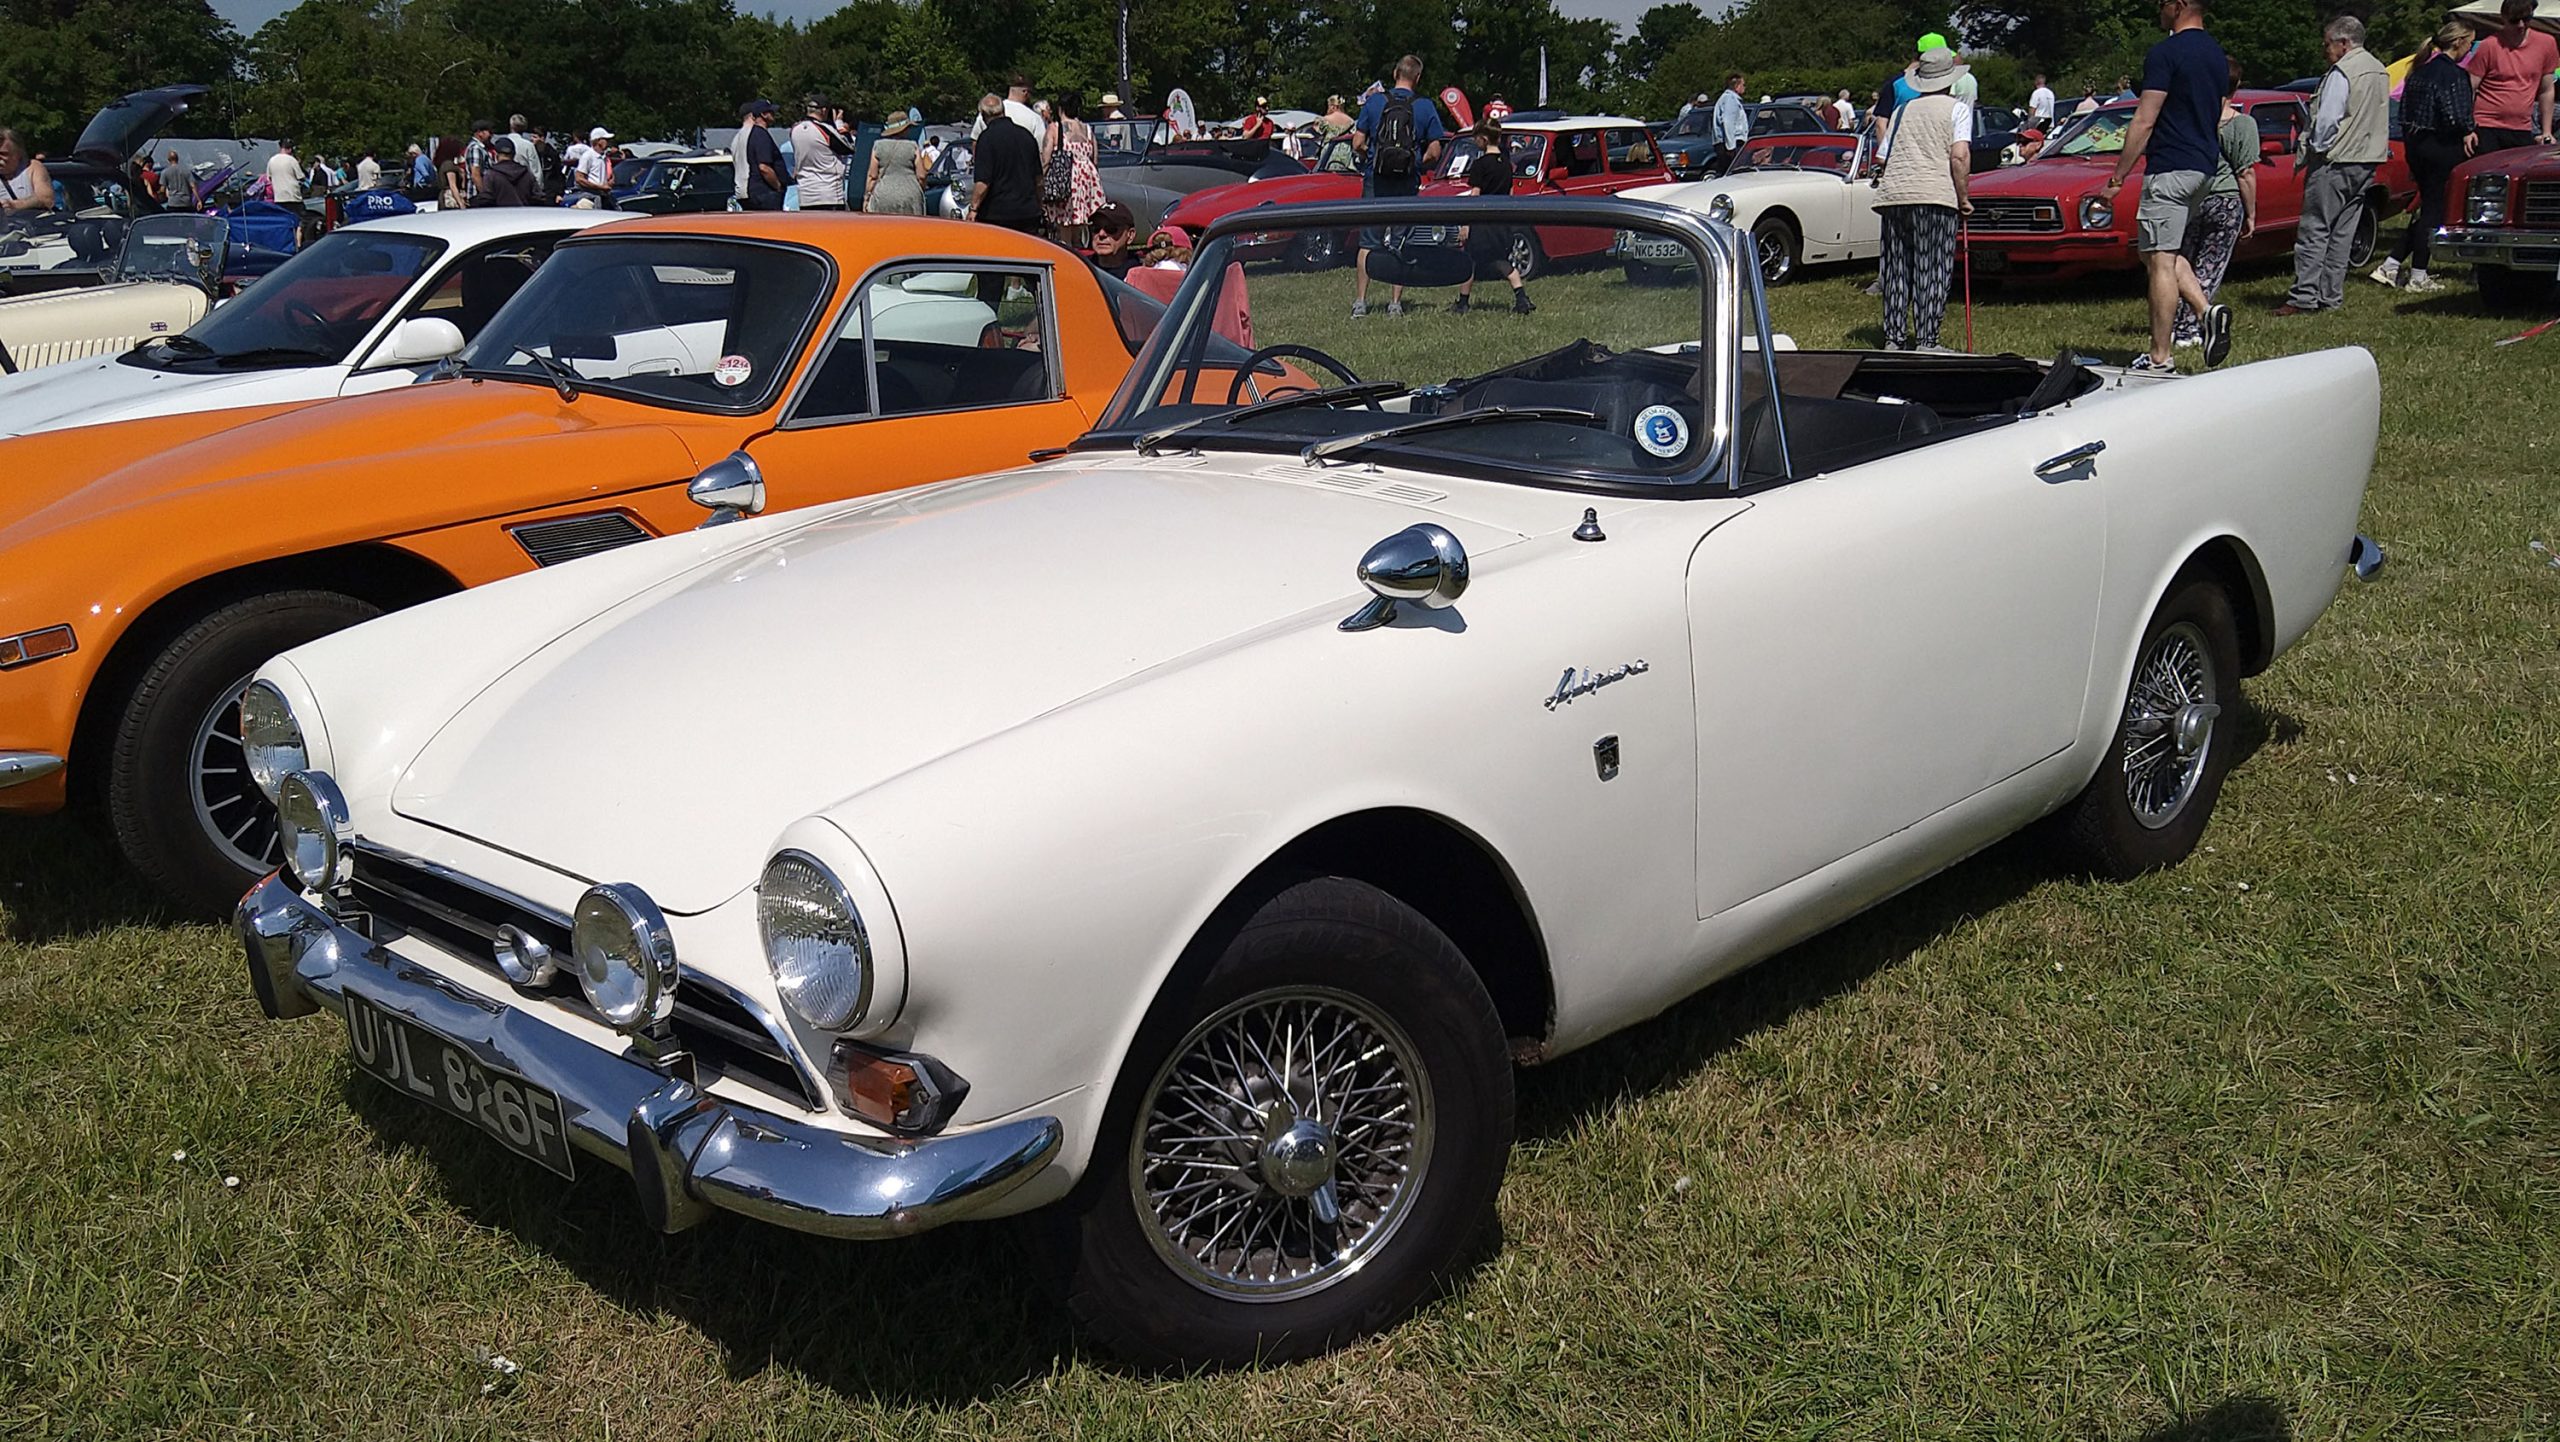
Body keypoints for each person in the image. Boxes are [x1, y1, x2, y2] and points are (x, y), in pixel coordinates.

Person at [2097, 0, 2232, 370]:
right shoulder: (2217, 55)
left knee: (2159, 261)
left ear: (2179, 5)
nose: (2158, 10)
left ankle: (2160, 357)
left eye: (2161, 4)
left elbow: (2145, 119)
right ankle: (2206, 312)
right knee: (2156, 253)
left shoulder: (2166, 52)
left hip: (2170, 166)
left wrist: (2117, 178)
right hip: (2204, 167)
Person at [2276, 16, 2390, 317]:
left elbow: (2327, 119)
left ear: (2343, 43)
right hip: (2367, 159)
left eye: (2327, 44)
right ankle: (2331, 296)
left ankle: (2304, 296)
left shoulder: (2343, 72)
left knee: (2315, 229)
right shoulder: (2379, 69)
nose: (2325, 50)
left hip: (2336, 159)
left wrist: (2317, 149)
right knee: (2343, 232)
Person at [1874, 45, 1972, 351]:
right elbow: (1959, 156)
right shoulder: (1957, 109)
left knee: (1896, 267)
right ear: (1950, 80)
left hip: (1895, 195)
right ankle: (1928, 340)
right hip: (1935, 195)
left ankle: (1894, 338)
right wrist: (1964, 198)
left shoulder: (1901, 110)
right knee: (1934, 266)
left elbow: (1882, 156)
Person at [2375, 22, 2480, 292]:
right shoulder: (2454, 75)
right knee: (2434, 211)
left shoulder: (2418, 71)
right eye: (2469, 43)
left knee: (2429, 207)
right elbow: (2456, 115)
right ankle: (2418, 274)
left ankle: (2391, 263)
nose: (2469, 49)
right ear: (2458, 42)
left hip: (2416, 146)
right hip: (2442, 148)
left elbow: (2404, 111)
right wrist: (2469, 129)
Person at [1350, 53, 1448, 318]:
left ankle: (1361, 302)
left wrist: (1372, 157)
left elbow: (1357, 143)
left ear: (1395, 74)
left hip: (1376, 179)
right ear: (1418, 78)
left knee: (1368, 242)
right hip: (1406, 180)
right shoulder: (1425, 106)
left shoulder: (1374, 102)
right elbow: (1435, 151)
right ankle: (1394, 303)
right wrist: (1414, 163)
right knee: (1400, 241)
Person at [2173, 58, 2258, 348]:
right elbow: (2245, 173)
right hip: (2225, 200)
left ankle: (2173, 324)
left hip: (2191, 198)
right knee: (2209, 267)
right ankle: (2192, 328)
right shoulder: (2241, 124)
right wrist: (2251, 214)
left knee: (2181, 263)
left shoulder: (2190, 121)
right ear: (2237, 86)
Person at [1454, 115, 1534, 315]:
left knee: (1469, 262)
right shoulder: (1506, 164)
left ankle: (1463, 302)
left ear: (1483, 139)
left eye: (1475, 138)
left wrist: (1466, 224)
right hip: (1501, 221)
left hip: (1483, 221)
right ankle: (1521, 297)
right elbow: (1510, 193)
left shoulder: (1480, 165)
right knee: (1501, 261)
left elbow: (1475, 195)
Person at [2464, 0, 2557, 152]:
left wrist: (2546, 132)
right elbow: (2469, 89)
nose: (2521, 25)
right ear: (2504, 18)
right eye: (2514, 20)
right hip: (2486, 125)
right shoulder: (2489, 45)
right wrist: (2467, 129)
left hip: (2522, 127)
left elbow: (2546, 90)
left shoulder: (2546, 43)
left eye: (2526, 19)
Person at [966, 93, 1043, 233]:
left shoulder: (986, 139)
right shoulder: (1026, 136)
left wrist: (973, 208)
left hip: (997, 213)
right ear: (1003, 111)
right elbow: (1038, 179)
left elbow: (983, 182)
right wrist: (1040, 203)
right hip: (1028, 212)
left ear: (983, 115)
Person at [1042, 91, 1104, 245]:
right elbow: (1095, 159)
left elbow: (1046, 159)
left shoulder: (1054, 128)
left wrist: (1040, 180)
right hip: (1086, 180)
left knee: (1064, 226)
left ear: (1060, 108)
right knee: (1079, 226)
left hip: (1066, 180)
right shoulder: (1087, 129)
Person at [793, 96, 856, 210]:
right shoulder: (824, 129)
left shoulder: (795, 129)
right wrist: (839, 124)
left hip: (805, 193)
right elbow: (849, 147)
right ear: (824, 110)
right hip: (829, 191)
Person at [865, 111, 927, 214]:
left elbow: (872, 176)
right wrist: (921, 189)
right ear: (904, 129)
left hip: (883, 196)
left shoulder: (878, 145)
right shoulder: (913, 146)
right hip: (910, 195)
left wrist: (866, 197)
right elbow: (922, 176)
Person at [737, 102, 789, 210]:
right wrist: (778, 186)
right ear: (763, 114)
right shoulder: (761, 135)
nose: (774, 114)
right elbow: (764, 168)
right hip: (765, 192)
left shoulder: (750, 134)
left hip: (753, 191)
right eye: (771, 112)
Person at [973, 74, 1043, 141]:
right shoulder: (1034, 118)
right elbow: (1041, 146)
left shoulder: (989, 111)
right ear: (1025, 92)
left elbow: (975, 141)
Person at [1086, 200, 1140, 277]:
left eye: (1111, 228)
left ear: (1130, 235)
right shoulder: (1081, 267)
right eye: (1096, 228)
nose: (1101, 234)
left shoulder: (1139, 276)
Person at [478, 140, 539, 205]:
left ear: (496, 154)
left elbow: (486, 199)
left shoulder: (491, 175)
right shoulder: (527, 173)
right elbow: (537, 197)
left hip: (499, 211)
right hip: (524, 210)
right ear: (514, 154)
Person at [570, 126, 616, 206]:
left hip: (603, 196)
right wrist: (600, 187)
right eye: (606, 139)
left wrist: (610, 181)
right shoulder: (588, 156)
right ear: (598, 141)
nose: (608, 142)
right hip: (589, 198)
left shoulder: (603, 156)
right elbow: (579, 178)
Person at [1712, 74, 1750, 171]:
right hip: (1732, 144)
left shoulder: (1727, 98)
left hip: (1728, 143)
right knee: (1735, 173)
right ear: (1737, 86)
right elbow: (1728, 122)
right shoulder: (1730, 99)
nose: (1744, 87)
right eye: (1743, 85)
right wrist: (1731, 147)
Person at [1316, 95, 1359, 171]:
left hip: (1329, 153)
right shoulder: (1351, 121)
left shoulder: (1325, 120)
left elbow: (1317, 132)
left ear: (1333, 106)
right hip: (1346, 153)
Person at [505, 115, 544, 200]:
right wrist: (538, 191)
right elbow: (536, 171)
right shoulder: (528, 146)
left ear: (511, 126)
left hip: (504, 187)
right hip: (524, 189)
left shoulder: (501, 143)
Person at [463, 121, 496, 200]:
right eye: (489, 132)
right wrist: (484, 194)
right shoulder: (476, 148)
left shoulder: (482, 148)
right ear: (479, 132)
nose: (491, 135)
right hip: (477, 195)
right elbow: (475, 174)